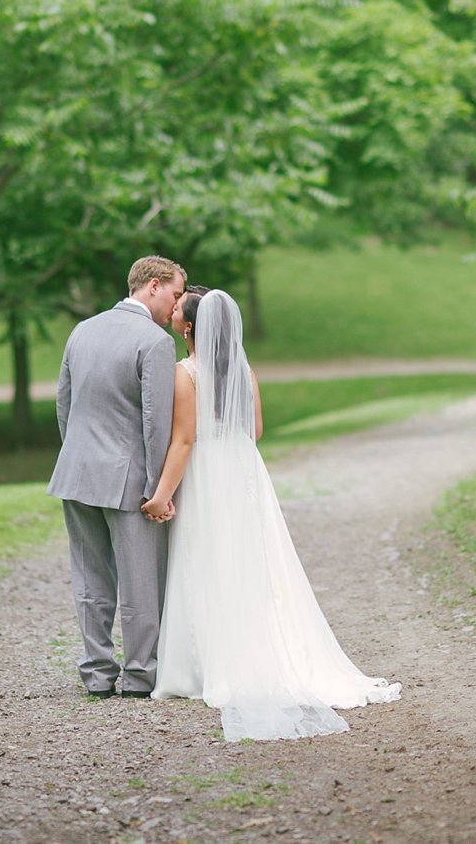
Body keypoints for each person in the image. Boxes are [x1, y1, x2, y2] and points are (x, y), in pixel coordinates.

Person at [141, 287, 401, 741]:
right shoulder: (243, 370)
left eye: (179, 308)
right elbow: (255, 430)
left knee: (209, 559)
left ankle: (201, 667)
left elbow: (183, 441)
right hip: (242, 472)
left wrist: (161, 496)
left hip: (207, 474)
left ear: (187, 327)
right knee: (253, 565)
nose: (174, 308)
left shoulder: (186, 374)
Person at [47, 255, 186, 699]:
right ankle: (142, 675)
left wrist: (79, 455)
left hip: (76, 473)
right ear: (153, 286)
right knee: (140, 583)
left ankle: (97, 674)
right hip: (130, 482)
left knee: (90, 579)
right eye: (176, 294)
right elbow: (155, 424)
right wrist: (158, 490)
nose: (176, 306)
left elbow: (64, 405)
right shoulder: (155, 342)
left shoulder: (81, 330)